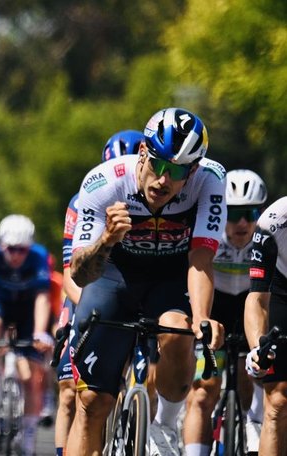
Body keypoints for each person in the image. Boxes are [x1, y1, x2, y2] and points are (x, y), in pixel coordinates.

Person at [65, 107, 226, 456]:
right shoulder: (104, 182)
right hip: (114, 275)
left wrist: (202, 317)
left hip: (170, 274)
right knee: (92, 402)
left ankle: (164, 427)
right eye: (159, 164)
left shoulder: (210, 180)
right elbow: (79, 273)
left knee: (179, 330)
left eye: (178, 171)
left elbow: (200, 257)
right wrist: (106, 240)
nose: (164, 180)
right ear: (143, 153)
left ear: (193, 170)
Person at [55, 130, 143, 454]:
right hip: (87, 289)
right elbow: (70, 276)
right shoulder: (82, 202)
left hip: (134, 292)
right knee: (69, 389)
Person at [183, 169, 268, 455]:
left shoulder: (266, 238)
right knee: (203, 390)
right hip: (215, 306)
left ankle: (252, 422)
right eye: (233, 214)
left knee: (251, 378)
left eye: (251, 212)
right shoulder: (210, 234)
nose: (242, 223)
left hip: (250, 306)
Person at [0, 214, 53, 455]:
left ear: (29, 248)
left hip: (28, 309)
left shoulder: (38, 257)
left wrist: (39, 331)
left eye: (21, 250)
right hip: (1, 305)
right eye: (11, 249)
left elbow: (42, 298)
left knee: (30, 377)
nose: (16, 255)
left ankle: (29, 435)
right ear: (1, 246)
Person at [243, 195, 287, 454]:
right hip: (282, 292)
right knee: (278, 400)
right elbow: (257, 299)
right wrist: (258, 350)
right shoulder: (274, 220)